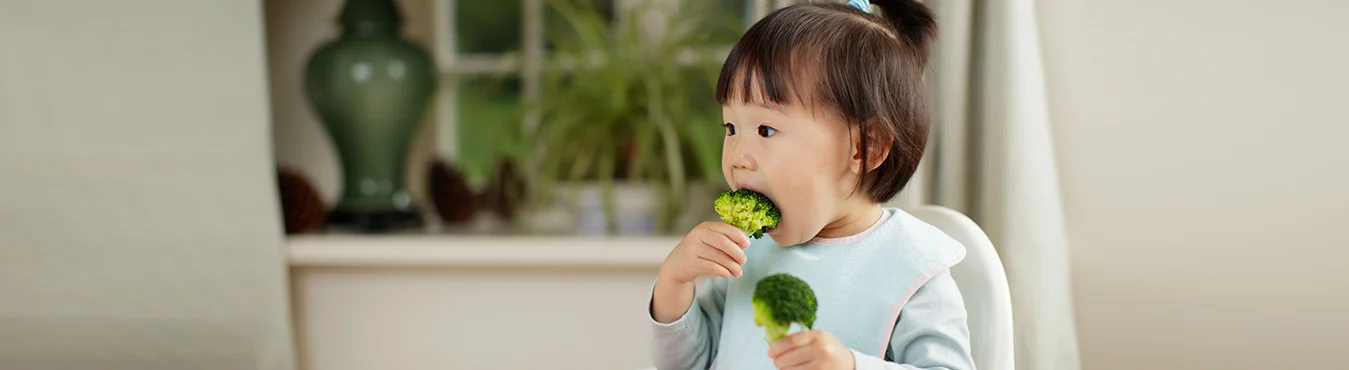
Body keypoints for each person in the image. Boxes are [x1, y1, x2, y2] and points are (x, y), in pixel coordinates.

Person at [647, 1, 975, 369]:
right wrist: (675, 282)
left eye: (766, 130)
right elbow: (690, 363)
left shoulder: (913, 266)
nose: (738, 155)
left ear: (866, 146)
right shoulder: (749, 253)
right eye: (731, 128)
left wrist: (852, 365)